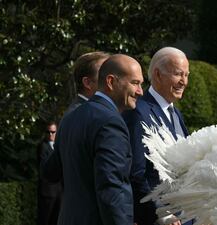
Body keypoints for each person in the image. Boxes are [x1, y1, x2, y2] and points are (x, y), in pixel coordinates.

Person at [41, 54, 144, 225]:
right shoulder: (110, 122)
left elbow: (51, 172)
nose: (140, 91)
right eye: (135, 83)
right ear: (111, 82)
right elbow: (112, 187)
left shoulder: (70, 117)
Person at [122, 47, 191, 225]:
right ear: (158, 75)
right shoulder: (138, 112)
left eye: (186, 75)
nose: (184, 81)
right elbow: (137, 174)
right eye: (178, 74)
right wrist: (161, 214)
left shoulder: (176, 114)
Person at [37, 121, 62, 225]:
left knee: (57, 220)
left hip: (59, 191)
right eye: (48, 132)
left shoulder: (59, 146)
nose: (50, 134)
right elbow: (45, 167)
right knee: (45, 220)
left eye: (53, 132)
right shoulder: (43, 147)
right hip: (48, 192)